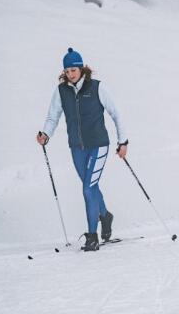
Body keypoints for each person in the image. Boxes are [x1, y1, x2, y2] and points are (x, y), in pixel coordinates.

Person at [37, 48, 128, 251]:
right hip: (77, 147)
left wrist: (123, 142)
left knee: (87, 188)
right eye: (67, 71)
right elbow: (53, 116)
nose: (71, 74)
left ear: (81, 68)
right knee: (91, 186)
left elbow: (116, 114)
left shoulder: (97, 88)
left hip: (98, 145)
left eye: (74, 70)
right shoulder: (61, 91)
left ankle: (92, 235)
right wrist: (46, 134)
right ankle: (105, 215)